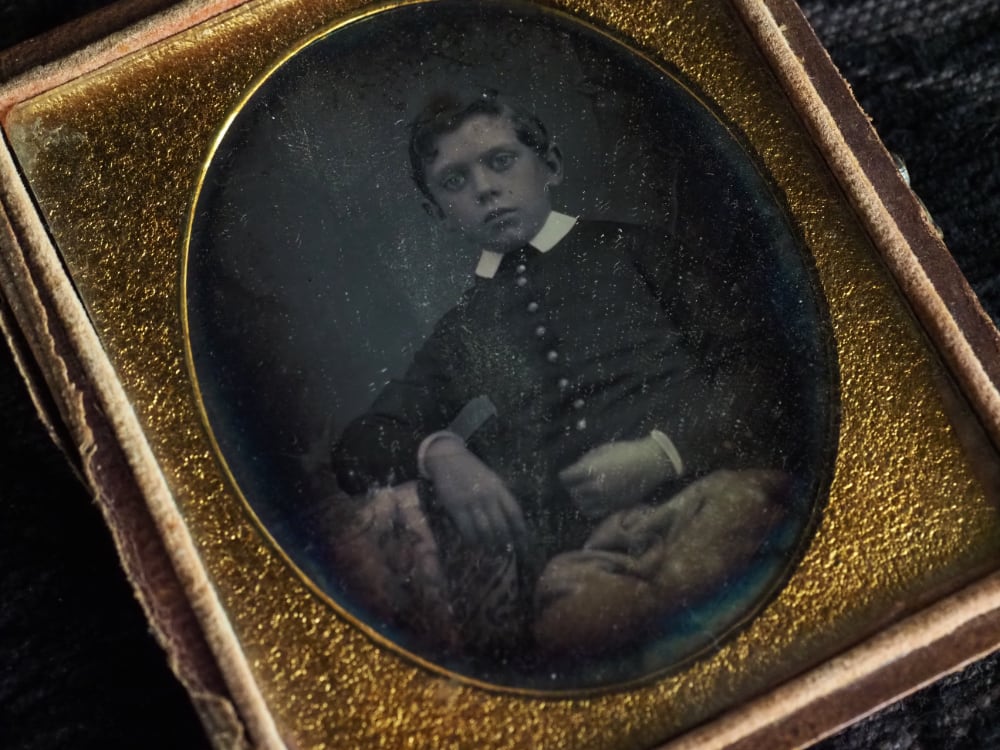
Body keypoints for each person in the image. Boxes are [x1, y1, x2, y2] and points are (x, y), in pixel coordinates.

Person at [329, 91, 797, 665]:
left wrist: (661, 455)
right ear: (437, 213)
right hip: (592, 560)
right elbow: (359, 447)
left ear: (549, 164)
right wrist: (439, 452)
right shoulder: (466, 327)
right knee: (578, 636)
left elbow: (767, 373)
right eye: (454, 181)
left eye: (501, 161)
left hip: (714, 496)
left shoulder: (638, 251)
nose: (484, 189)